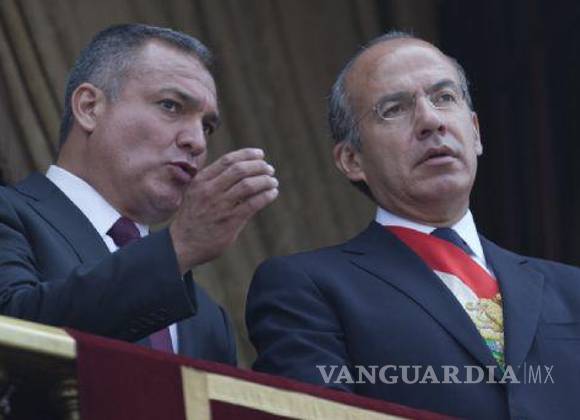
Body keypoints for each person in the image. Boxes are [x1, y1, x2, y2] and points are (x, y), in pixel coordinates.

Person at [246, 31, 580, 419]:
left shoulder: (570, 289)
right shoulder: (306, 288)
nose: (431, 121)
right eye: (394, 109)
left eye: (444, 97)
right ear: (352, 160)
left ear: (475, 132)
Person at [0, 23, 279, 364]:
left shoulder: (208, 320)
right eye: (171, 106)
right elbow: (14, 333)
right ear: (89, 107)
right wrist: (177, 248)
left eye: (206, 126)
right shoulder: (11, 214)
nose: (197, 141)